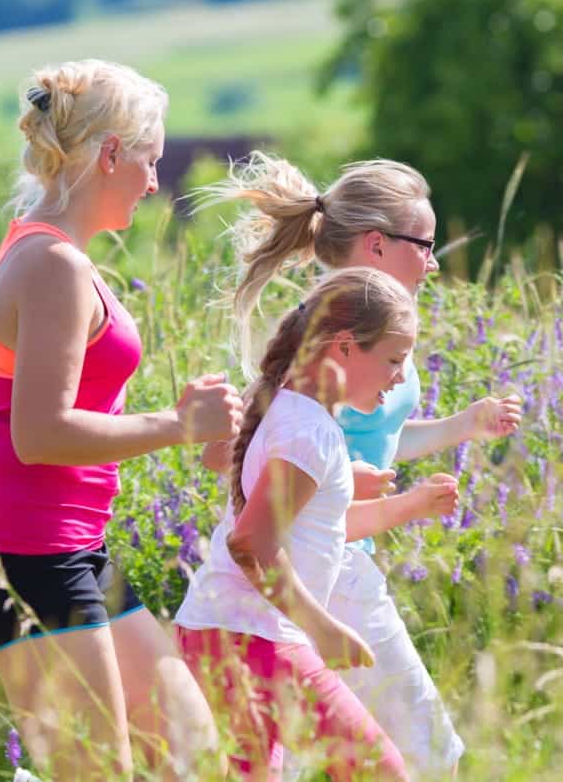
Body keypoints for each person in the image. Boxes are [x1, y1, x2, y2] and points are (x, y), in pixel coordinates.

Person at [0, 59, 243, 781]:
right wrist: (176, 425)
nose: (156, 182)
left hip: (71, 548)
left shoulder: (36, 248)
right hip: (21, 558)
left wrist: (30, 448)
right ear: (109, 156)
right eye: (150, 161)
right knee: (99, 772)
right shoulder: (53, 266)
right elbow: (38, 434)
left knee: (189, 751)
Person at [200, 151, 523, 778]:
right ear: (377, 244)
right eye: (424, 244)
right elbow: (246, 450)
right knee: (423, 752)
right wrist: (349, 484)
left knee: (293, 760)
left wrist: (465, 425)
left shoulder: (377, 325)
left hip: (330, 561)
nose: (432, 260)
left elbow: (377, 438)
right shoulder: (332, 333)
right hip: (319, 565)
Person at [175, 268, 421, 781]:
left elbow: (285, 523)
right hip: (256, 641)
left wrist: (375, 495)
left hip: (216, 631)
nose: (400, 376)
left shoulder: (285, 407)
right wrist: (322, 628)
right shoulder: (310, 430)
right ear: (346, 348)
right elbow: (252, 543)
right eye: (394, 360)